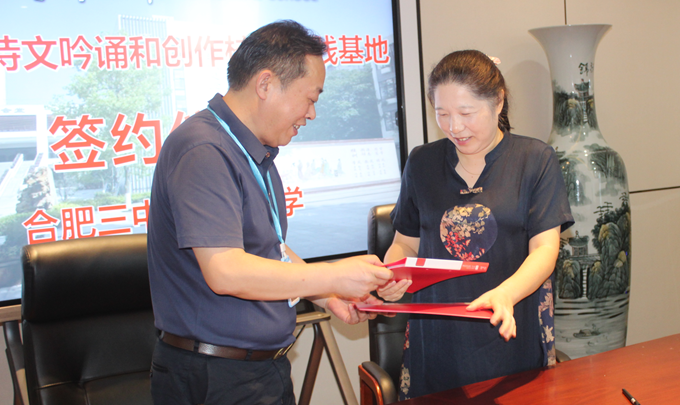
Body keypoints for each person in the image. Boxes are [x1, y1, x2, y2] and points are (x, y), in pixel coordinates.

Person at [147, 20, 393, 405]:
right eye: (309, 98)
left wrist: (327, 295)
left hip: (258, 371)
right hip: (215, 377)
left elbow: (270, 246)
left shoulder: (252, 151)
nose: (311, 114)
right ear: (265, 84)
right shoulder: (204, 150)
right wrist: (332, 274)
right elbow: (225, 270)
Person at [377, 49, 574, 399]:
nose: (454, 127)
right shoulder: (422, 163)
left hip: (509, 331)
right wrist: (394, 274)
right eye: (442, 114)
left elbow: (545, 250)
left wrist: (506, 293)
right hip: (436, 341)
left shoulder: (534, 160)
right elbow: (405, 243)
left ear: (498, 102)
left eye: (466, 113)